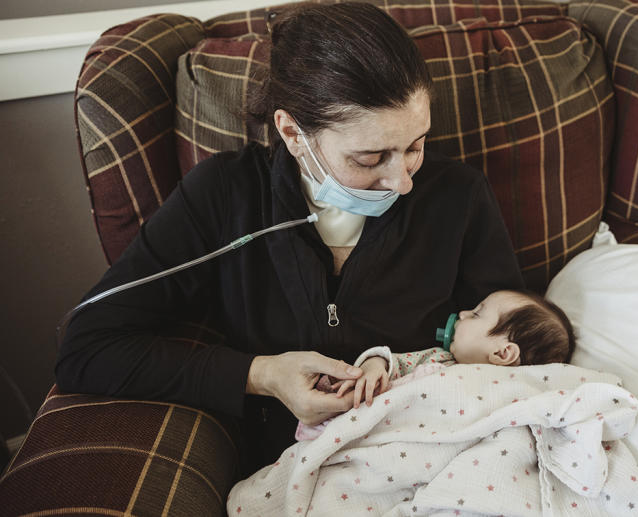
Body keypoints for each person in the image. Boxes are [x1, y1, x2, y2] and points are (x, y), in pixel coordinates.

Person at [55, 2, 522, 474]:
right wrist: (260, 375)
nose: (402, 181)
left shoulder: (458, 196)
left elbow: (516, 343)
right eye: (369, 158)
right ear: (293, 132)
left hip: (440, 456)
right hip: (290, 467)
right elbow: (88, 347)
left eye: (415, 145)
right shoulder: (224, 195)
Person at [294, 289, 576, 440]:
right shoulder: (439, 358)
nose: (463, 313)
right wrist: (374, 366)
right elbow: (395, 363)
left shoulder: (520, 395)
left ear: (503, 354)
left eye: (477, 314)